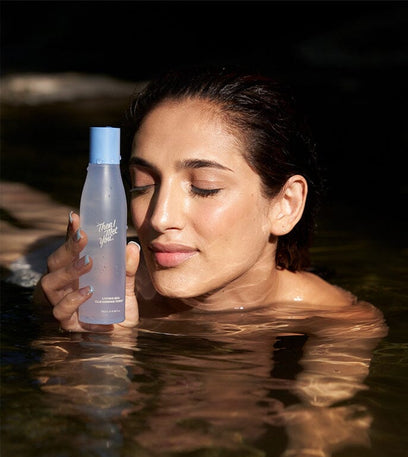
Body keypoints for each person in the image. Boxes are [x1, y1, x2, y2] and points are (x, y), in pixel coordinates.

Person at [34, 67, 373, 333]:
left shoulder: (338, 323)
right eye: (143, 185)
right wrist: (97, 345)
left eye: (204, 187)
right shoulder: (86, 294)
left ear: (286, 204)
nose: (159, 218)